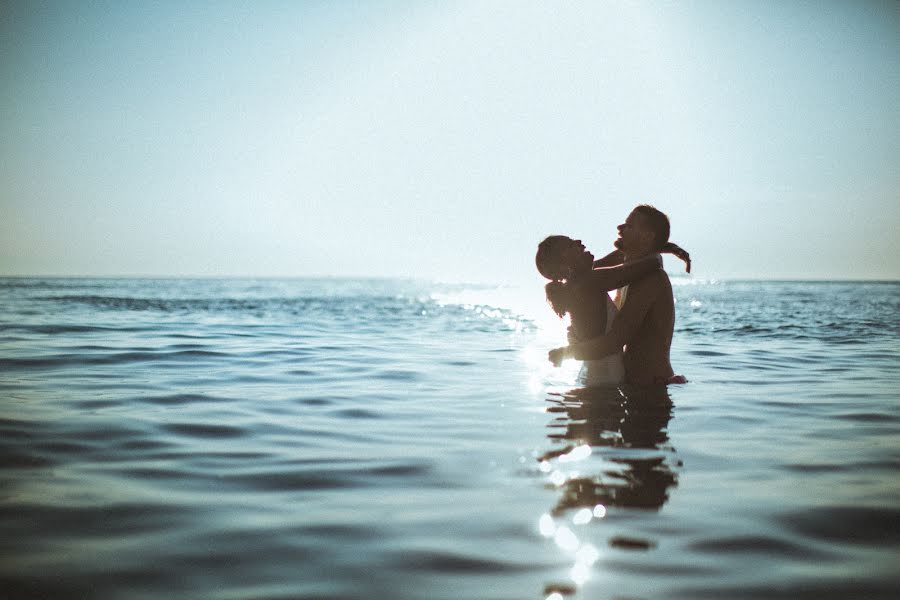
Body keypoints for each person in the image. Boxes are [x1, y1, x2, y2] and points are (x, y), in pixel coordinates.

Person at [547, 205, 689, 386]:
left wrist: (566, 352)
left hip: (652, 388)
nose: (620, 228)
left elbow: (614, 341)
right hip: (632, 387)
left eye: (629, 226)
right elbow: (586, 273)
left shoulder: (651, 278)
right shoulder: (629, 271)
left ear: (646, 237)